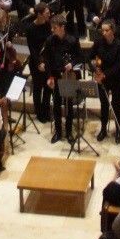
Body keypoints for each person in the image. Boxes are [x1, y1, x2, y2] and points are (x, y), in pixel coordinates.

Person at [44, 14, 81, 143]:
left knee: (69, 105)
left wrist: (72, 63)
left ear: (62, 27)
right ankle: (58, 132)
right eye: (52, 27)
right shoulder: (50, 41)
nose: (52, 30)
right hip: (55, 75)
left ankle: (69, 132)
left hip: (68, 76)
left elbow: (80, 57)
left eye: (54, 27)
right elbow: (47, 60)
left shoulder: (72, 40)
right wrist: (49, 77)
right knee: (56, 105)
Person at [91, 19, 120, 142]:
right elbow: (89, 57)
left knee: (116, 105)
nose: (104, 33)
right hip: (102, 79)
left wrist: (104, 75)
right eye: (103, 30)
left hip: (116, 78)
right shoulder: (98, 42)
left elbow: (118, 66)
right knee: (104, 105)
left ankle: (118, 130)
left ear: (113, 31)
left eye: (107, 30)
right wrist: (95, 70)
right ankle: (103, 129)